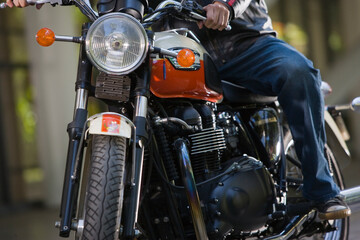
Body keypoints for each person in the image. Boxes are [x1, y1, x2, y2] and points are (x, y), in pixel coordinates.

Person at [7, 0, 351, 220]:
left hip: (242, 41)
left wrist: (225, 3)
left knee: (297, 72)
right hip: (167, 45)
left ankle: (321, 190)